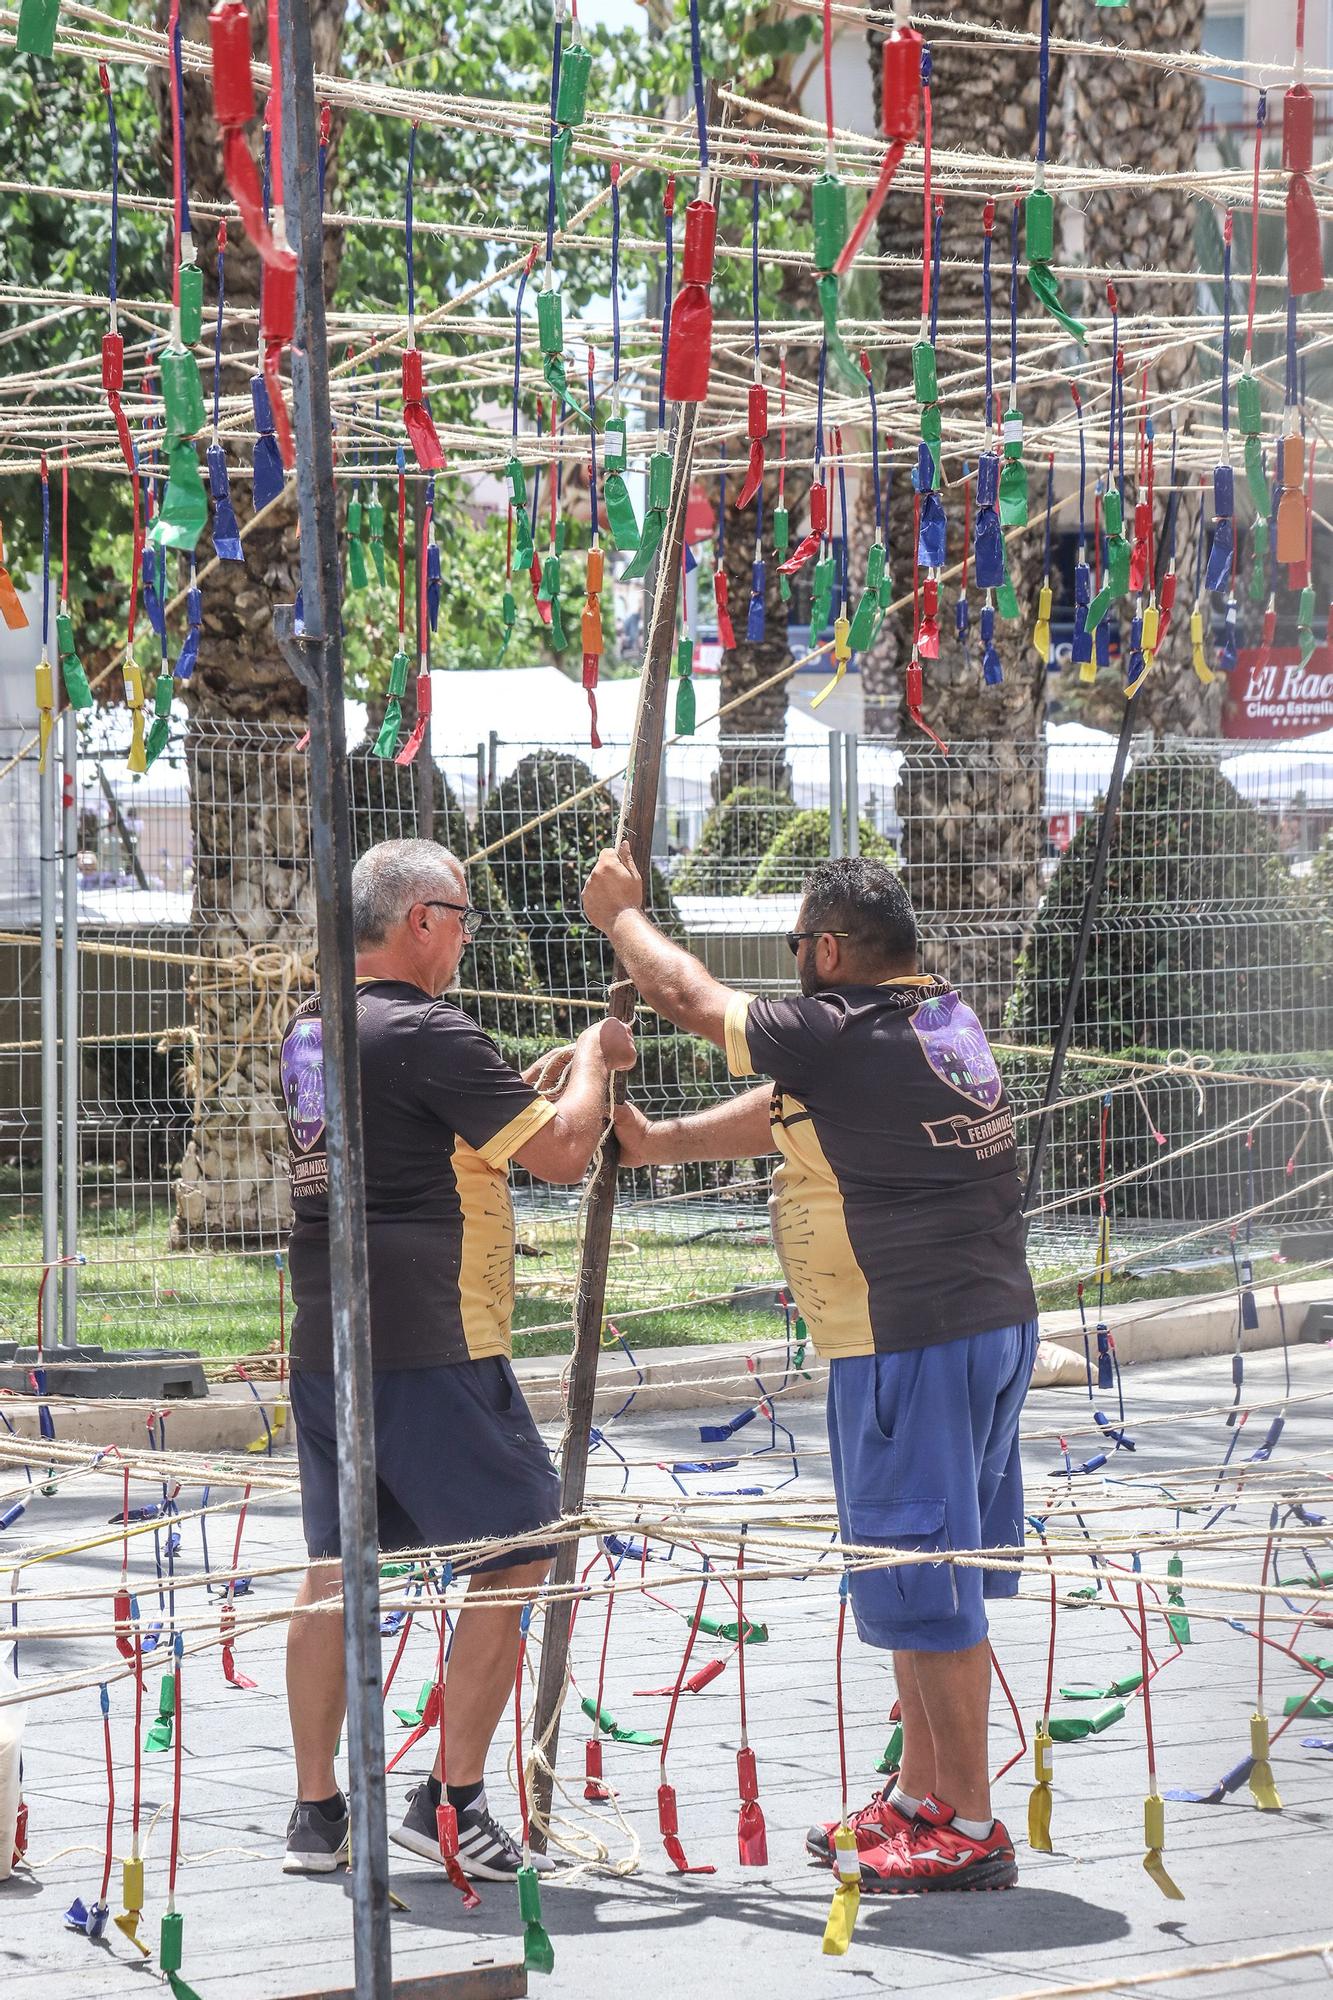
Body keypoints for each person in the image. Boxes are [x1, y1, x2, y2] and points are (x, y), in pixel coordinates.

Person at [582, 846, 1038, 1894]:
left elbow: (687, 994)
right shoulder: (936, 1018)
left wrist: (621, 916)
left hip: (910, 1336)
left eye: (796, 944)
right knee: (913, 1568)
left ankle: (966, 1821)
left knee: (929, 1575)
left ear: (828, 948)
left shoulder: (842, 1027)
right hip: (966, 1325)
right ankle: (923, 1797)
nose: (793, 962)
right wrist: (662, 1145)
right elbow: (801, 1107)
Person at [279, 838, 635, 1878]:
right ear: (421, 918)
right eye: (464, 916)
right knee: (522, 1544)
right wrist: (594, 1062)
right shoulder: (426, 1029)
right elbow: (565, 1155)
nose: (469, 935)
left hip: (329, 1337)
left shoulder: (316, 1029)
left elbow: (416, 1139)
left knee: (337, 1564)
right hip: (430, 1338)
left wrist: (527, 1093)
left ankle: (315, 1811)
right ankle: (452, 1797)